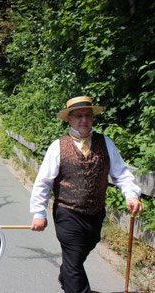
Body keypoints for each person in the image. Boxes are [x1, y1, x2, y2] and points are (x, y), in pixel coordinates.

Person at [30, 96, 142, 293]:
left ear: (92, 118)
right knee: (73, 259)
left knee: (80, 253)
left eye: (88, 115)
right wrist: (39, 213)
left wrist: (131, 195)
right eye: (78, 116)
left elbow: (121, 172)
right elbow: (43, 181)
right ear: (69, 119)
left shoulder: (105, 142)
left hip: (96, 213)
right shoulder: (58, 146)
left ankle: (66, 274)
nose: (84, 120)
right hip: (67, 212)